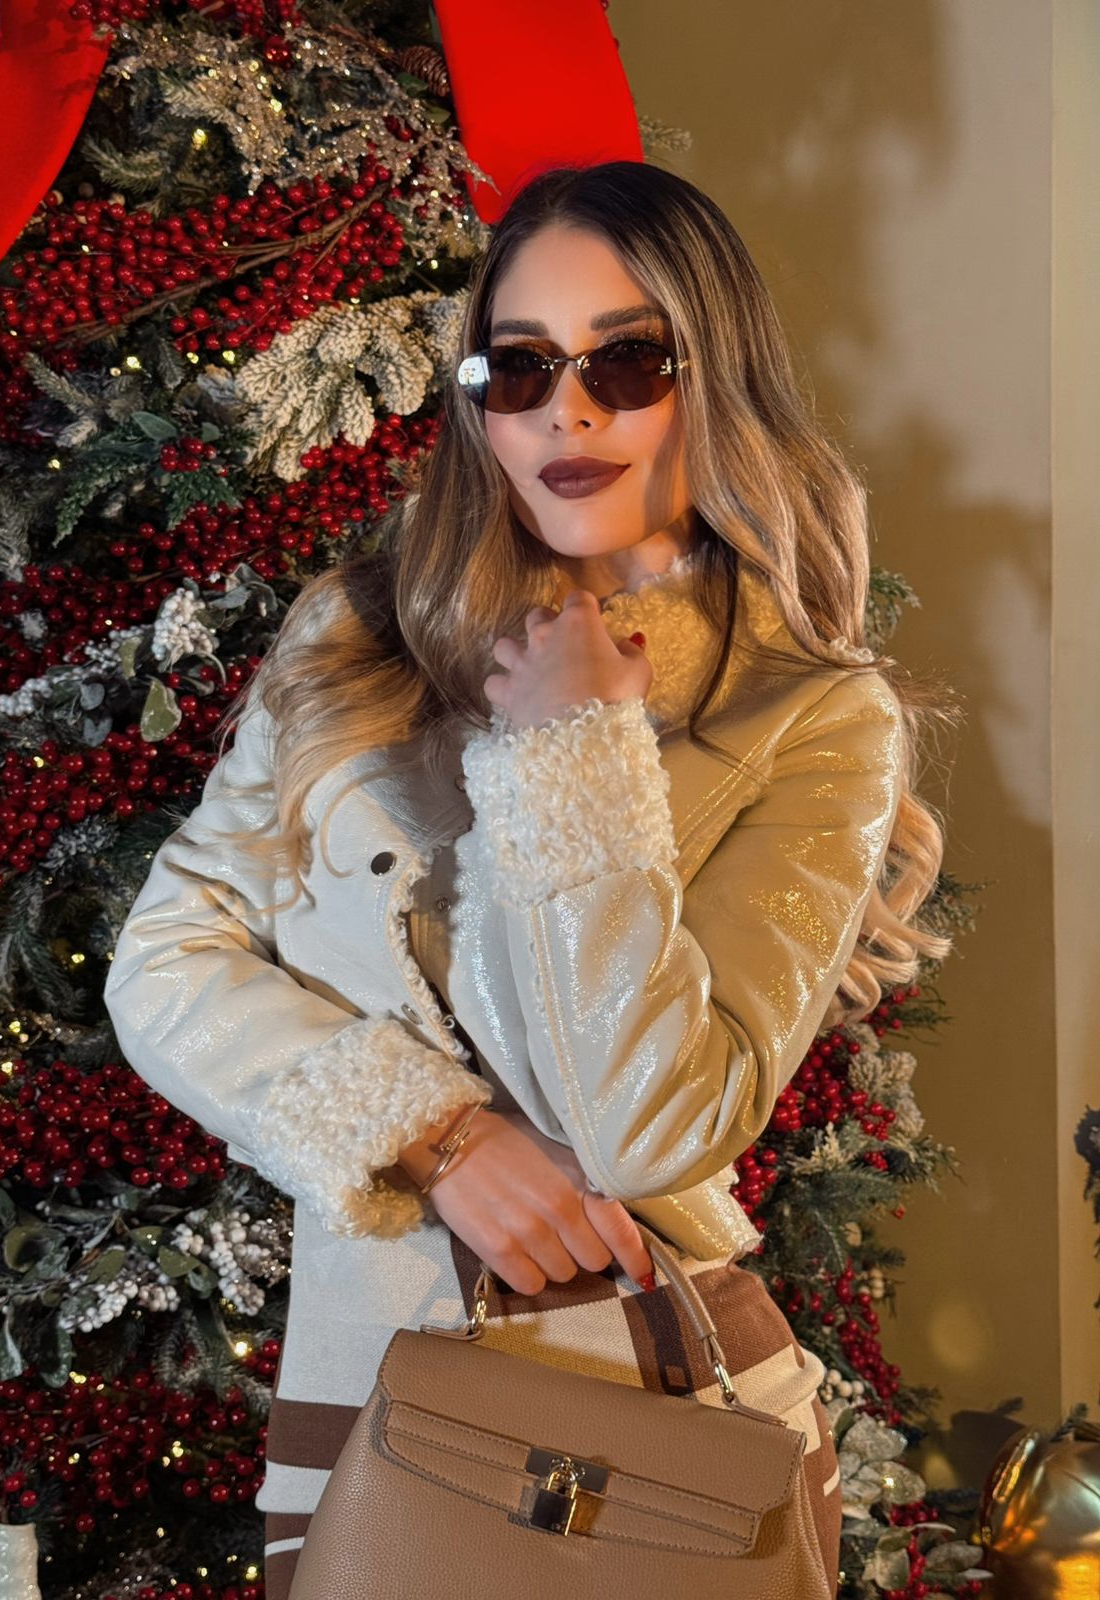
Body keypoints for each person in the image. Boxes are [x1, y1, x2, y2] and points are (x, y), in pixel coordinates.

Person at [103, 161, 954, 1599]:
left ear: (716, 378)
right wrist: (434, 1137)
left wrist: (575, 749)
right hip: (366, 1377)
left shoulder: (810, 714)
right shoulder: (355, 638)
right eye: (521, 367)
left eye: (628, 362)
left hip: (642, 1410)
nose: (570, 412)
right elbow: (165, 960)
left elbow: (650, 1126)